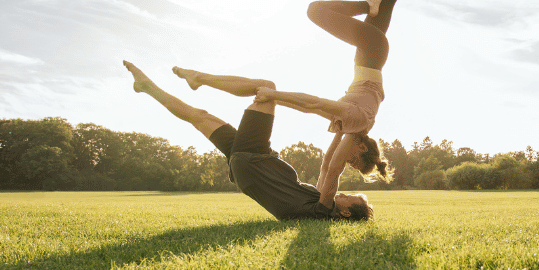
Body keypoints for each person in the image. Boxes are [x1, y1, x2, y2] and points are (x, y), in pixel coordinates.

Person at [244, 0, 422, 187]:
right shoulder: (355, 120)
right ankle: (366, 4)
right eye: (353, 161)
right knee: (315, 11)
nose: (346, 160)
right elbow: (313, 109)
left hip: (369, 53)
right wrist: (274, 95)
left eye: (349, 163)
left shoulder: (351, 126)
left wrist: (320, 194)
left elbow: (328, 164)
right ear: (362, 148)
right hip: (371, 51)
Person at [122, 61, 372, 221]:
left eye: (349, 197)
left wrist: (351, 129)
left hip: (255, 158)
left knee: (266, 88)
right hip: (246, 167)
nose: (344, 193)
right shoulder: (315, 203)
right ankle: (147, 87)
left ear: (346, 211)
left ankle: (199, 78)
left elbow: (334, 173)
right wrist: (341, 131)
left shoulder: (324, 210)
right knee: (198, 117)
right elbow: (327, 165)